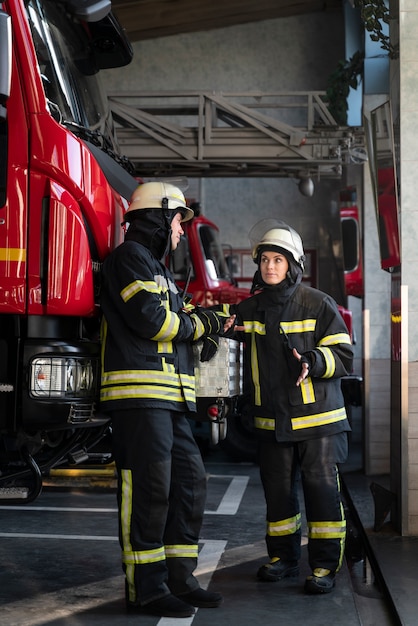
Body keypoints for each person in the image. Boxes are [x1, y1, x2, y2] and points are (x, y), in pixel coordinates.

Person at [99, 182, 228, 618]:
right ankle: (147, 589)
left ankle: (179, 577)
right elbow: (153, 321)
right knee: (149, 490)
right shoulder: (129, 259)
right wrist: (200, 327)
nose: (179, 232)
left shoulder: (155, 267)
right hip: (139, 396)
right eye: (177, 221)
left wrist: (204, 329)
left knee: (190, 484)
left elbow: (177, 319)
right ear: (157, 217)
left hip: (170, 397)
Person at [230, 218, 354, 594]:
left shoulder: (318, 303)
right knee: (278, 494)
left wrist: (314, 362)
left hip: (318, 422)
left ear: (293, 265)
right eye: (265, 259)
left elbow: (345, 355)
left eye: (278, 260)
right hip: (271, 423)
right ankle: (283, 558)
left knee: (321, 493)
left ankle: (324, 567)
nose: (270, 266)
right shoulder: (248, 309)